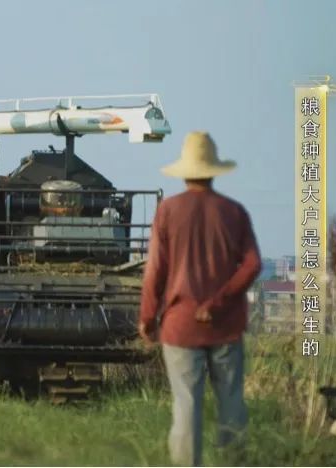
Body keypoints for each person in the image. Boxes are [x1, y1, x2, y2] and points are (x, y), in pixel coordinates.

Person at [138, 131, 262, 466]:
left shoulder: (168, 211)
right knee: (232, 405)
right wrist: (218, 302)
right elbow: (252, 264)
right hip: (226, 326)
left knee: (187, 406)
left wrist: (148, 318)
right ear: (212, 170)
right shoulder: (234, 212)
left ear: (185, 170)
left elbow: (155, 272)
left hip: (180, 327)